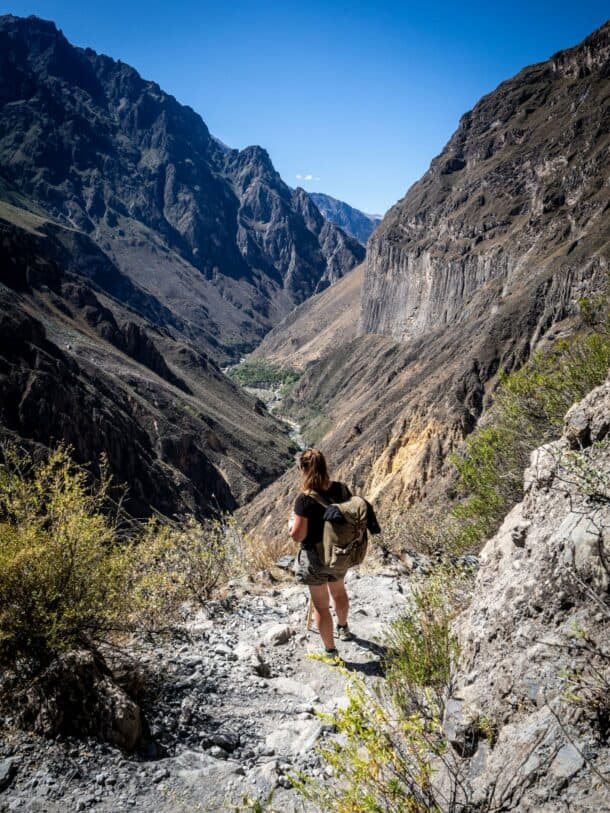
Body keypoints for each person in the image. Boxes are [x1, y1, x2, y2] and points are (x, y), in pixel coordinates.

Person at [289, 447, 355, 657]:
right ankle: (343, 629)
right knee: (339, 592)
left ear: (304, 469)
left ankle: (330, 651)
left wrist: (291, 526)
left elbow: (298, 535)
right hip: (338, 554)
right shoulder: (341, 489)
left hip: (315, 558)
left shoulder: (304, 499)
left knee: (321, 605)